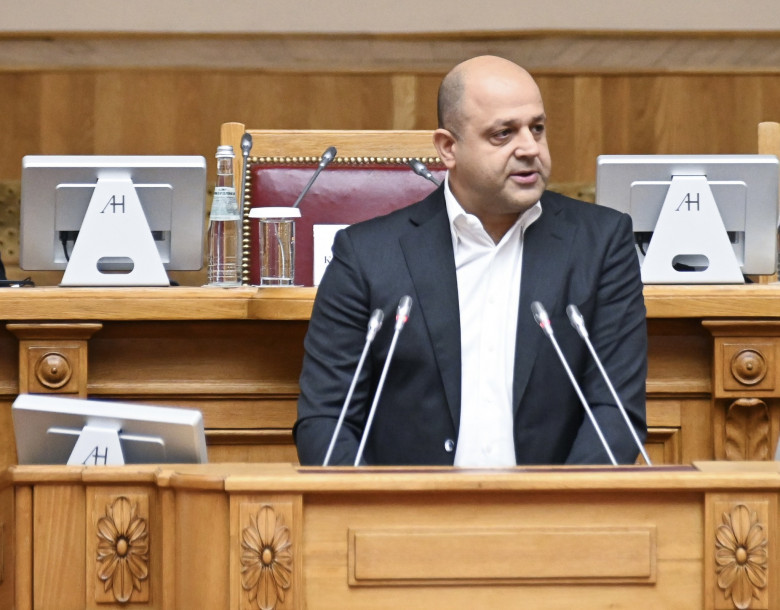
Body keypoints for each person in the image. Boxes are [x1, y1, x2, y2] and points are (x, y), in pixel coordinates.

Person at [294, 55, 647, 467]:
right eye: (503, 134)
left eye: (537, 128)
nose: (530, 148)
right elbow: (326, 422)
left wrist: (558, 503)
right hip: (407, 504)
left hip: (555, 503)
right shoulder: (367, 256)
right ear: (449, 148)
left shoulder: (601, 243)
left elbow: (615, 412)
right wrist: (384, 505)